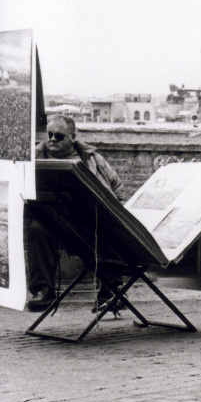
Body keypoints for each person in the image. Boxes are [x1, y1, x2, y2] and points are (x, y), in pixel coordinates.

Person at [26, 115, 123, 311]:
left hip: (86, 219)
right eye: (50, 135)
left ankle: (112, 289)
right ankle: (43, 290)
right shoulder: (34, 158)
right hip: (50, 218)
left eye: (59, 136)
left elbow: (117, 187)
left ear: (72, 136)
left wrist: (119, 212)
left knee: (110, 229)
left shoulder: (92, 159)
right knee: (38, 230)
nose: (52, 139)